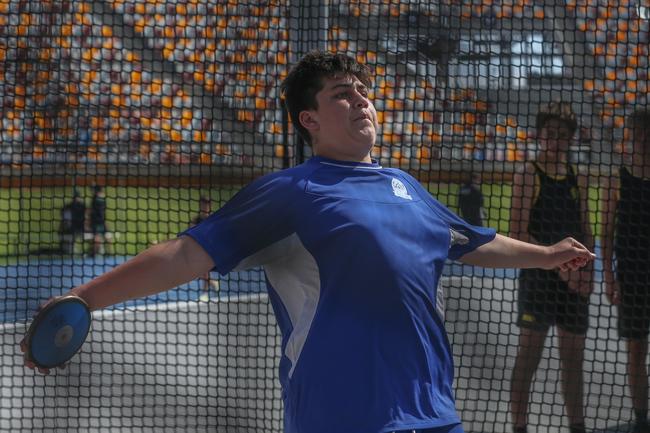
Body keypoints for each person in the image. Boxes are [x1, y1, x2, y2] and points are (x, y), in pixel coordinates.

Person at [22, 52, 595, 433]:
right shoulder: (289, 193)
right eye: (343, 94)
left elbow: (470, 241)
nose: (362, 101)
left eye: (365, 92)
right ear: (309, 120)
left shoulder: (406, 187)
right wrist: (84, 299)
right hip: (341, 416)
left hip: (435, 414)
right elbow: (188, 253)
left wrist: (547, 255)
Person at [509, 102, 595, 433]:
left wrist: (585, 272)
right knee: (529, 355)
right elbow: (516, 232)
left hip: (574, 279)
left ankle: (577, 426)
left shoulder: (580, 177)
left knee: (573, 357)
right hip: (538, 278)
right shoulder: (529, 174)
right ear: (541, 136)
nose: (555, 139)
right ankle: (519, 426)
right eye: (550, 133)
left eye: (562, 134)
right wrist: (558, 265)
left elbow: (587, 228)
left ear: (571, 139)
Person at [602, 109, 650, 433]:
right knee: (636, 348)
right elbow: (605, 233)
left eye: (634, 135)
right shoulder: (616, 178)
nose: (630, 142)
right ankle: (642, 418)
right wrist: (609, 277)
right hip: (632, 277)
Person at [190, 195, 219, 299]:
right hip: (198, 249)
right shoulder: (196, 219)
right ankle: (213, 283)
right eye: (203, 204)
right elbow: (190, 232)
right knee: (200, 272)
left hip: (210, 249)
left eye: (206, 204)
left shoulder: (214, 218)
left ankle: (205, 293)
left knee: (204, 271)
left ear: (210, 205)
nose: (205, 206)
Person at [59, 189, 86, 254]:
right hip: (76, 228)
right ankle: (67, 249)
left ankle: (68, 249)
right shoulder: (79, 205)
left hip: (77, 228)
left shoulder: (80, 206)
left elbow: (63, 214)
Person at [88, 185, 108, 256]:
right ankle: (93, 252)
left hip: (99, 222)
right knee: (98, 238)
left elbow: (91, 211)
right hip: (97, 222)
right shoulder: (98, 198)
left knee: (104, 237)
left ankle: (95, 252)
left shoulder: (97, 198)